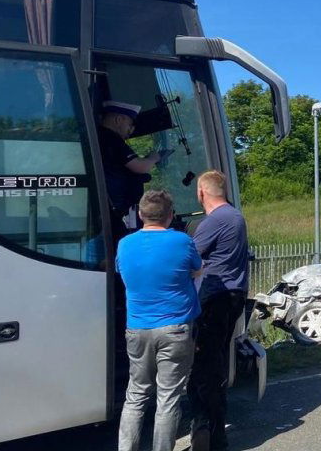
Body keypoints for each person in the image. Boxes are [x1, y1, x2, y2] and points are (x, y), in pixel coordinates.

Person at [116, 190, 203, 451]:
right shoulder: (181, 241)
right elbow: (198, 269)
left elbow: (123, 271)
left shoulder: (125, 244)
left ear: (141, 215)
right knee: (168, 397)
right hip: (175, 329)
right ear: (170, 215)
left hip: (137, 328)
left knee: (136, 395)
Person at [188, 170, 250, 451]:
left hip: (215, 298)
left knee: (205, 367)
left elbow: (189, 257)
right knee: (218, 360)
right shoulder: (235, 216)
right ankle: (214, 428)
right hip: (235, 295)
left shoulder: (213, 222)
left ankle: (211, 432)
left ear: (201, 193)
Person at [98, 100, 172, 235]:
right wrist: (154, 157)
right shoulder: (111, 138)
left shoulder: (100, 136)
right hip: (108, 210)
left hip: (107, 209)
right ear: (119, 119)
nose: (131, 130)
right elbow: (140, 167)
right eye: (130, 124)